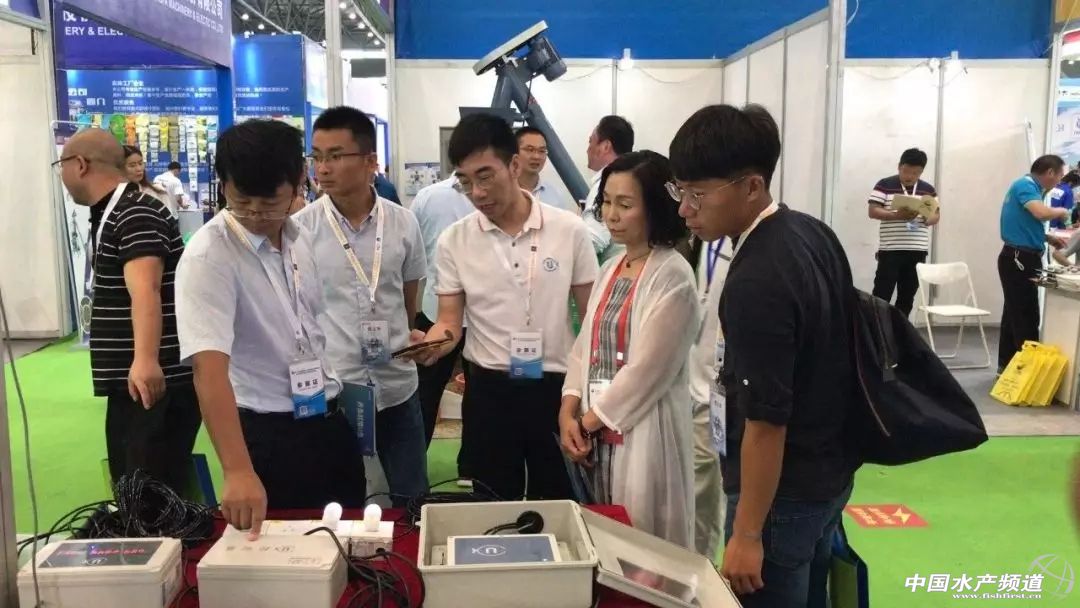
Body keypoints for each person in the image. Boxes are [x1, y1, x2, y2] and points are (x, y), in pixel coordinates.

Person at [671, 104, 858, 607]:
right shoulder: (811, 232)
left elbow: (767, 420)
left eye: (697, 194)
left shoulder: (757, 277)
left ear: (752, 186)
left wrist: (748, 533)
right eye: (679, 191)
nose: (685, 209)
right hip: (827, 473)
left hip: (778, 496)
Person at [176, 120, 365, 536]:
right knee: (283, 554)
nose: (256, 215)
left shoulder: (299, 237)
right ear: (223, 185)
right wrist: (238, 470)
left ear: (298, 182)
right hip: (266, 434)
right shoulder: (208, 257)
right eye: (242, 201)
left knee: (349, 543)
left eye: (270, 202)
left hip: (326, 418)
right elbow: (208, 371)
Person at [406, 112, 599, 501]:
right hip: (489, 390)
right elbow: (449, 321)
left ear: (513, 165)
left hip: (555, 387)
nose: (477, 193)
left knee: (557, 502)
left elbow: (591, 318)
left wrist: (586, 391)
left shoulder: (569, 230)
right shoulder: (454, 240)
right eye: (465, 182)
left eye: (485, 176)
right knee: (491, 503)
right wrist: (433, 344)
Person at [558, 150, 699, 547]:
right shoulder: (611, 268)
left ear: (654, 207)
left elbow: (647, 371)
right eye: (606, 202)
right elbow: (584, 347)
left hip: (642, 432)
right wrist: (568, 409)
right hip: (596, 434)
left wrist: (587, 423)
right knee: (604, 538)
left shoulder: (672, 274)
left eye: (625, 204)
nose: (611, 215)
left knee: (644, 542)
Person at [294, 106, 429, 505]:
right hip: (337, 389)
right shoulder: (300, 230)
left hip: (397, 385)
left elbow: (408, 300)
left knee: (411, 498)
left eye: (336, 156)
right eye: (317, 156)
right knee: (341, 501)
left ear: (370, 161)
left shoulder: (403, 223)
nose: (323, 168)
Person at [57, 128, 200, 496]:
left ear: (80, 165)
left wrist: (146, 360)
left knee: (148, 491)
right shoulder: (117, 211)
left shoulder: (135, 212)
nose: (61, 175)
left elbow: (146, 290)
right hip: (135, 379)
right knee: (135, 484)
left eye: (61, 165)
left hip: (154, 380)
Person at [411, 176, 475, 446]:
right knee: (425, 394)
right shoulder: (429, 197)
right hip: (436, 313)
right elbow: (412, 256)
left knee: (481, 400)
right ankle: (416, 460)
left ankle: (471, 464)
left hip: (486, 325)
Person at [998, 155, 1070, 372]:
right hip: (1019, 258)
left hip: (1020, 256)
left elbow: (1023, 223)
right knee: (1026, 315)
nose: (1059, 182)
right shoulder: (1026, 185)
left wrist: (1046, 238)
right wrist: (1062, 211)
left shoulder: (1030, 188)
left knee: (1013, 314)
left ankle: (1008, 367)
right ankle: (1027, 370)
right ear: (1050, 172)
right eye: (1059, 177)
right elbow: (1041, 213)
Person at [688, 236, 731, 558]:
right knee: (695, 486)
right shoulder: (702, 239)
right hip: (690, 378)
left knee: (709, 489)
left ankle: (701, 567)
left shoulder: (753, 244)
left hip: (720, 390)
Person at [868, 148, 940, 317]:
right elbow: (873, 211)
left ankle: (900, 329)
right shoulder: (884, 185)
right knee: (882, 293)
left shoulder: (928, 190)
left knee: (907, 296)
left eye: (915, 173)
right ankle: (877, 329)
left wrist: (926, 217)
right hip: (891, 250)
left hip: (917, 250)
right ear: (899, 166)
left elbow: (936, 216)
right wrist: (896, 216)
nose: (909, 176)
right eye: (906, 171)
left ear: (921, 172)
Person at [584, 116, 634, 262]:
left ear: (605, 146)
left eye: (591, 142)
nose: (588, 150)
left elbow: (592, 240)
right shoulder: (633, 179)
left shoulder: (606, 184)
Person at [515, 126, 575, 212]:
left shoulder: (555, 197)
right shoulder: (502, 191)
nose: (536, 156)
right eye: (530, 150)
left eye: (542, 151)